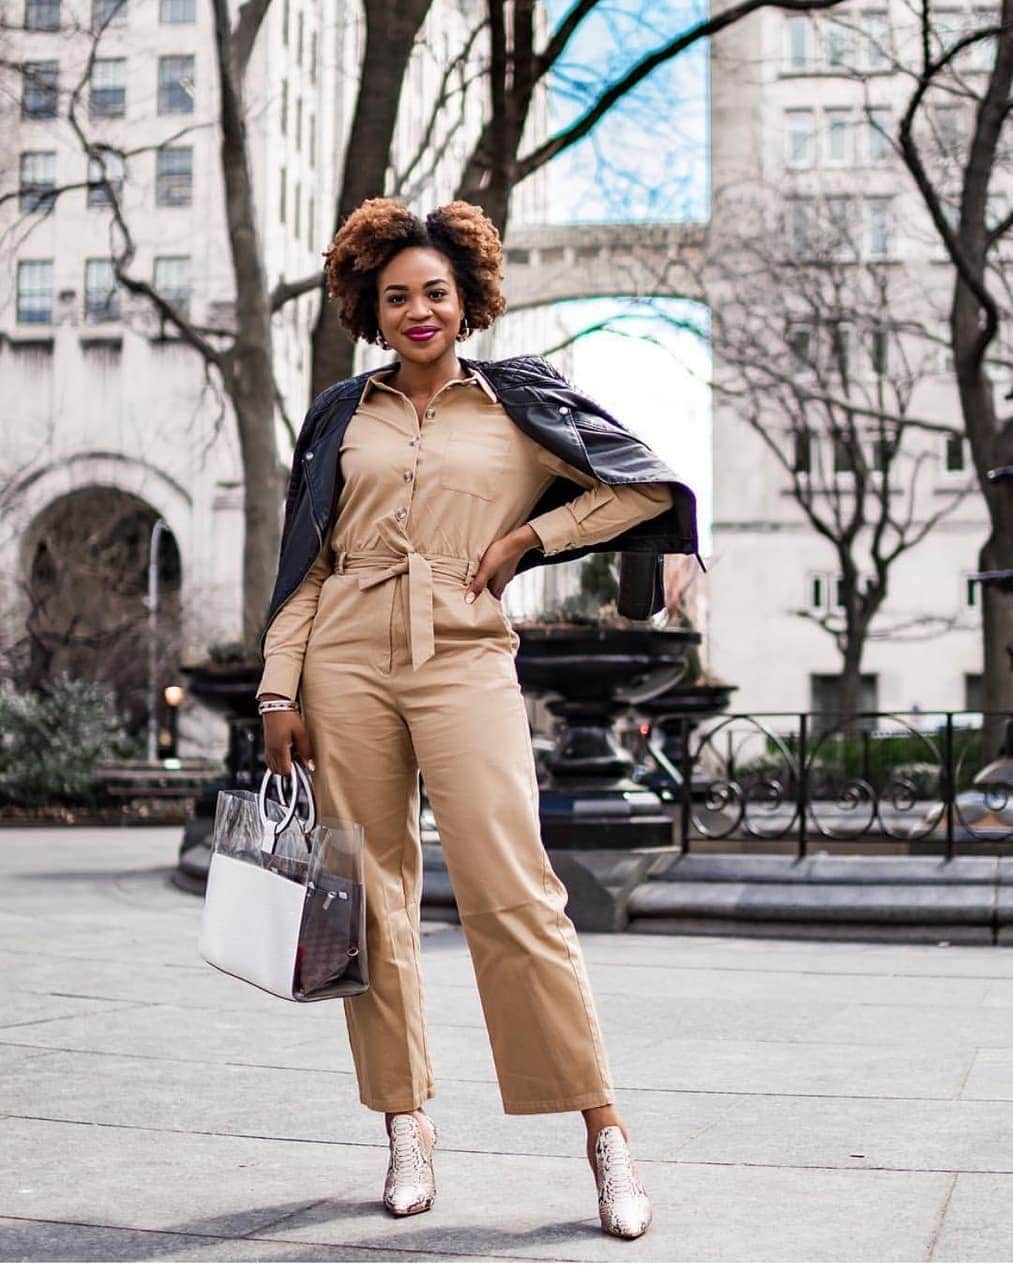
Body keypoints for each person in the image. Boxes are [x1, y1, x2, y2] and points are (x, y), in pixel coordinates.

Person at [257, 197, 697, 1239]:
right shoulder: (339, 415)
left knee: (518, 894)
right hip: (344, 662)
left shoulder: (518, 402)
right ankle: (403, 1121)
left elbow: (641, 491)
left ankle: (601, 1131)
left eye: (435, 294)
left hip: (464, 659)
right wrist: (279, 688)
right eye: (396, 295)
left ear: (468, 302)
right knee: (369, 901)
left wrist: (528, 541)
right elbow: (306, 564)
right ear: (370, 305)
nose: (417, 310)